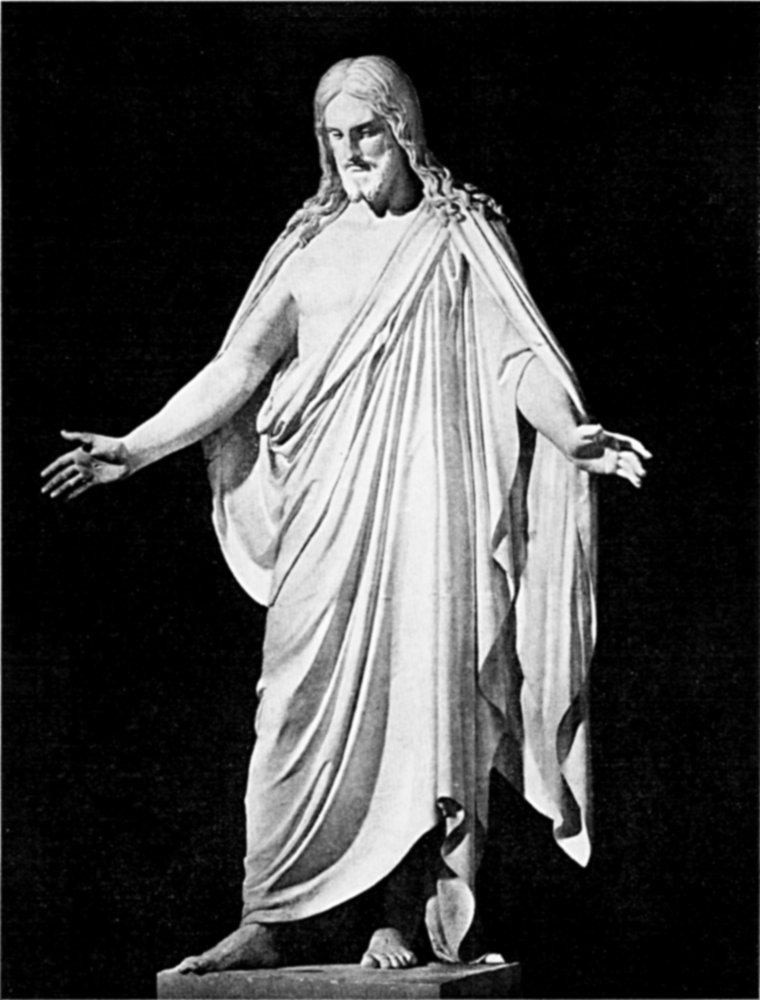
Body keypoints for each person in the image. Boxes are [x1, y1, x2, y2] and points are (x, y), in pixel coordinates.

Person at [41, 55, 650, 973]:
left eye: (366, 131)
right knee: (290, 711)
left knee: (424, 708)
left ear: (403, 128)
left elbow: (515, 357)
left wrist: (569, 432)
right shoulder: (309, 248)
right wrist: (134, 448)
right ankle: (268, 914)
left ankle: (400, 915)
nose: (351, 151)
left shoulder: (458, 235)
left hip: (429, 512)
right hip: (325, 515)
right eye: (335, 136)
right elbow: (239, 368)